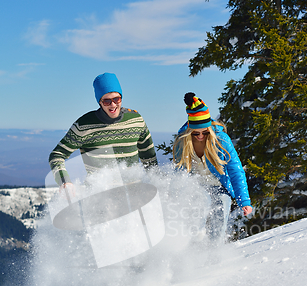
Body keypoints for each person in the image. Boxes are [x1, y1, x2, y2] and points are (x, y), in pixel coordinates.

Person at [49, 73, 158, 189]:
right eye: (107, 101)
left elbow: (149, 158)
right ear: (99, 101)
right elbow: (57, 155)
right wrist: (65, 182)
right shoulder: (84, 125)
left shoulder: (136, 121)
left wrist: (159, 183)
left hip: (134, 197)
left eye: (117, 99)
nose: (113, 104)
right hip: (99, 198)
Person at [173, 92, 252, 241]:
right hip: (195, 188)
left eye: (205, 133)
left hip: (219, 187)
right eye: (196, 133)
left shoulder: (221, 139)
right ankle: (194, 246)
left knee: (220, 214)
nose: (201, 136)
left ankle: (215, 255)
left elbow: (235, 170)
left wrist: (244, 201)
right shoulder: (183, 142)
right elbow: (179, 173)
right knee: (201, 205)